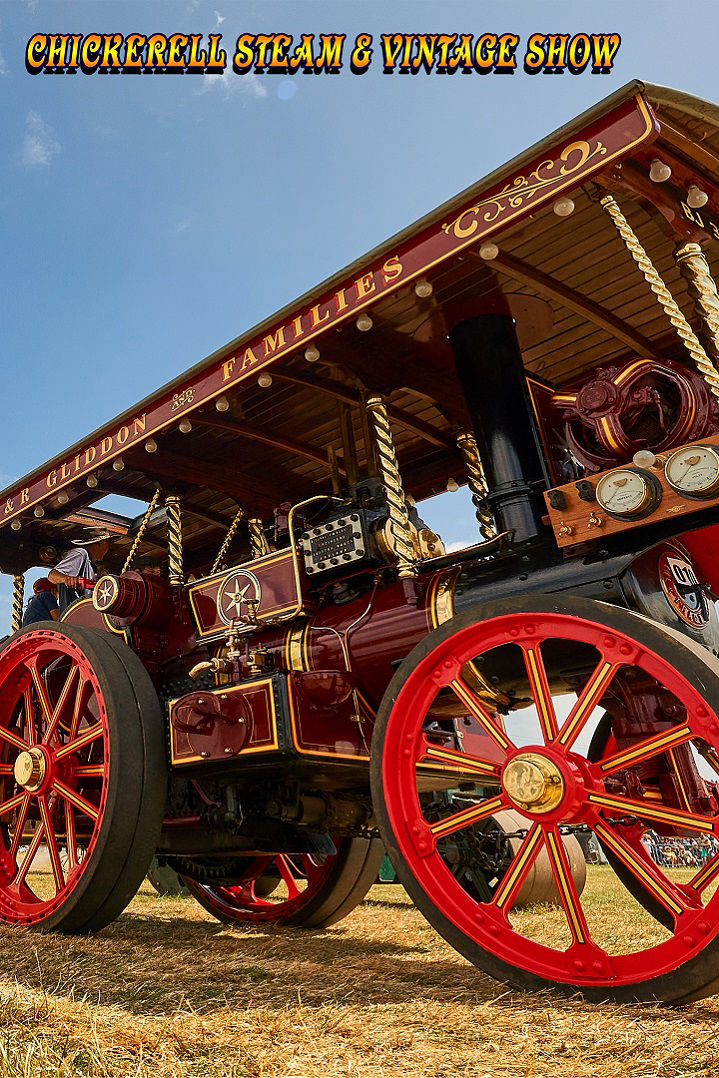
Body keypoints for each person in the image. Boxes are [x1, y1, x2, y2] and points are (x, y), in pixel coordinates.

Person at [48, 531, 111, 615]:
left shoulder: (91, 565)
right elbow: (52, 575)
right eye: (107, 543)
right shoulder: (80, 553)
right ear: (99, 543)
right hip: (74, 616)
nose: (109, 547)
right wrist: (68, 579)